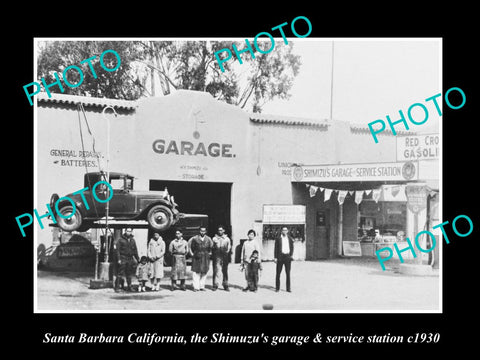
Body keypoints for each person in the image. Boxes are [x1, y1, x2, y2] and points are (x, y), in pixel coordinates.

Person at [188, 227, 213, 292]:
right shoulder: (195, 238)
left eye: (204, 231)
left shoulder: (208, 239)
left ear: (206, 232)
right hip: (197, 255)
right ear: (199, 231)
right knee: (196, 272)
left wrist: (209, 253)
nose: (202, 232)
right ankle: (196, 287)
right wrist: (193, 254)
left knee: (204, 271)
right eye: (201, 231)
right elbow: (191, 247)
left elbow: (211, 247)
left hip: (205, 256)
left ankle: (202, 286)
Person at [114, 228, 139, 292]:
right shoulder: (120, 240)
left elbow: (135, 250)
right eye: (127, 231)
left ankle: (129, 287)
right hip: (123, 258)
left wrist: (138, 259)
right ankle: (117, 287)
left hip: (130, 258)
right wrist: (119, 259)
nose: (129, 232)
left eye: (130, 231)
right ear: (125, 231)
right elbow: (118, 251)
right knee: (120, 273)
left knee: (129, 274)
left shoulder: (132, 240)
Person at [212, 225, 231, 291]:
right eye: (219, 230)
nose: (220, 231)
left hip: (224, 256)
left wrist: (226, 253)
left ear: (224, 230)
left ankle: (225, 284)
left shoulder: (227, 239)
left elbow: (229, 248)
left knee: (225, 271)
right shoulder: (214, 238)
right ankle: (215, 285)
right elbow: (212, 247)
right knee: (216, 270)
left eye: (221, 230)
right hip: (217, 256)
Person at [274, 226, 294, 293]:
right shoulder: (278, 238)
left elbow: (292, 247)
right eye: (283, 230)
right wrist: (275, 257)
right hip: (280, 257)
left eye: (286, 230)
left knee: (288, 273)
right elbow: (276, 248)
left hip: (287, 257)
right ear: (281, 231)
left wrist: (290, 254)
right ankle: (277, 288)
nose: (284, 231)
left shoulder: (290, 238)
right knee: (278, 273)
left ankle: (288, 288)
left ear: (287, 231)